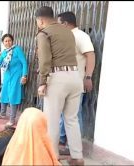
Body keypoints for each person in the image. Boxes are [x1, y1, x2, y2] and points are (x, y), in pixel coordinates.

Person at [35, 6, 84, 165]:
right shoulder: (68, 31)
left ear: (41, 20)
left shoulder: (44, 33)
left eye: (37, 22)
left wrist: (42, 82)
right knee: (72, 119)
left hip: (57, 78)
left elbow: (45, 60)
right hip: (75, 77)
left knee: (52, 120)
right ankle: (77, 157)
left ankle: (52, 157)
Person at [57, 11, 96, 148]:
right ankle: (62, 138)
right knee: (63, 111)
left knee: (73, 114)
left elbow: (90, 56)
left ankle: (73, 146)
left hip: (75, 83)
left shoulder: (80, 36)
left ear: (66, 24)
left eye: (59, 23)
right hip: (63, 82)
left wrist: (88, 77)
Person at [0, 34, 28, 127]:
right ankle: (2, 113)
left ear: (12, 41)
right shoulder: (4, 52)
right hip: (7, 76)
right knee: (3, 94)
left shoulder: (17, 49)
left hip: (16, 76)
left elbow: (24, 62)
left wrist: (24, 76)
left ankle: (12, 119)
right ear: (3, 43)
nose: (8, 42)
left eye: (9, 40)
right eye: (6, 41)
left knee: (13, 96)